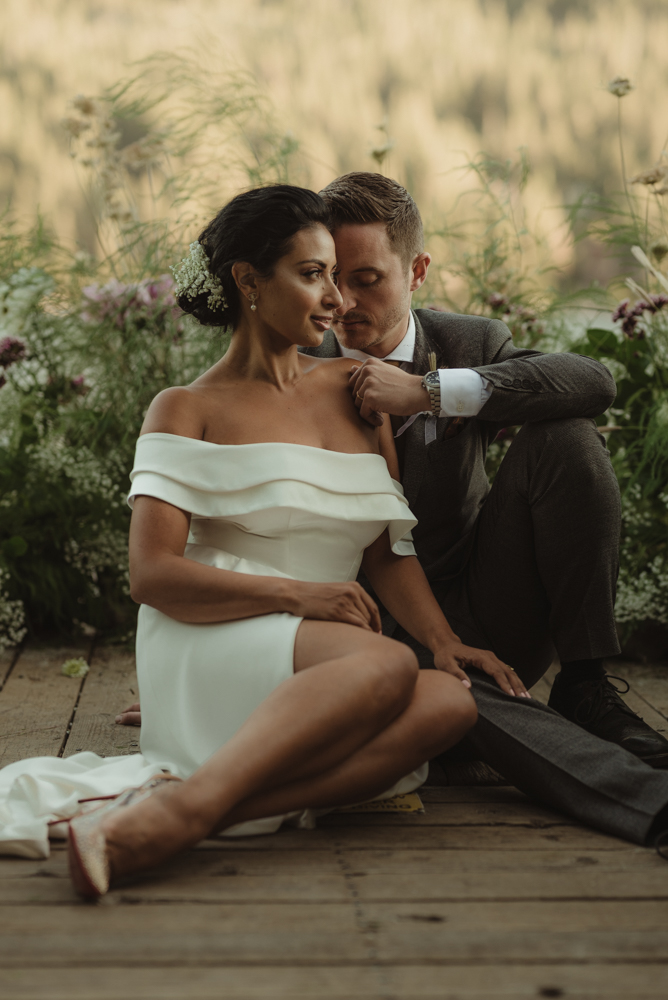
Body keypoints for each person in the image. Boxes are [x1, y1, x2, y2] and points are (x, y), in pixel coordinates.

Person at [1, 184, 525, 897]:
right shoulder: (184, 409)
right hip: (214, 630)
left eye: (337, 276)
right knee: (383, 667)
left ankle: (186, 813)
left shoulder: (357, 389)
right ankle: (176, 817)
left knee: (449, 701)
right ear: (248, 280)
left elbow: (383, 549)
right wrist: (302, 596)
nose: (336, 298)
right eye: (312, 275)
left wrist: (441, 639)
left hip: (325, 652)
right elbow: (151, 577)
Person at [297, 171, 668, 846]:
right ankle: (649, 801)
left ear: (418, 271)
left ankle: (585, 682)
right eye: (329, 277)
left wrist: (431, 393)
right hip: (362, 639)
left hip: (484, 607)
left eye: (368, 278)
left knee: (566, 436)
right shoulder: (294, 359)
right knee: (452, 689)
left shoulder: (466, 342)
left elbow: (594, 381)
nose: (343, 300)